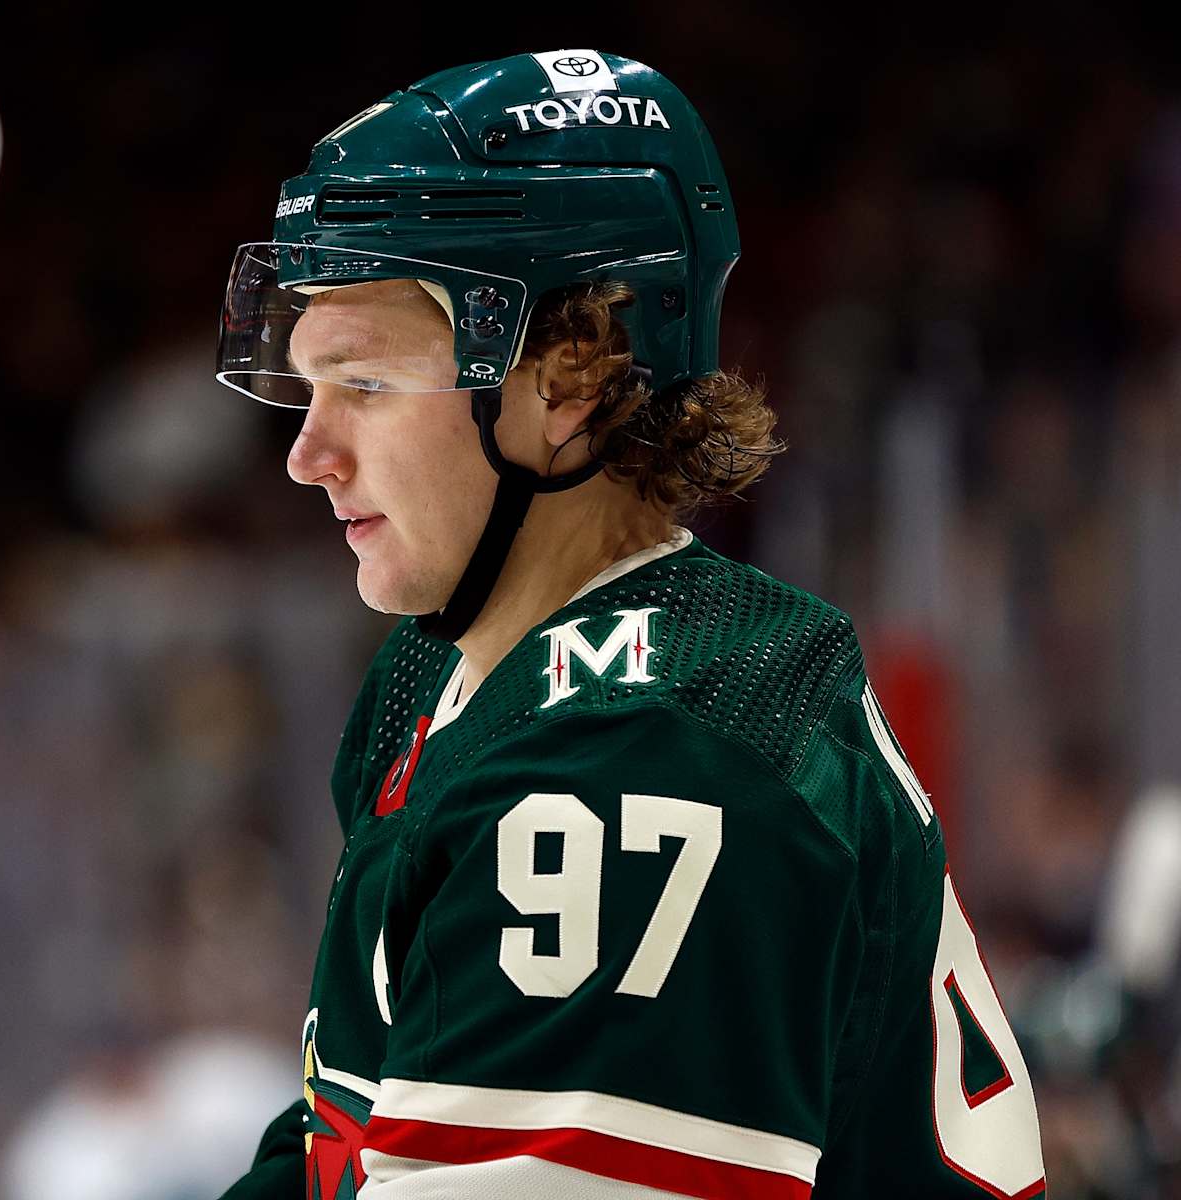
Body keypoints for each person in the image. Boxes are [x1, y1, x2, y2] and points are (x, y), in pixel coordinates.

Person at [211, 49, 1046, 1199]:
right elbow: (336, 1144)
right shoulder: (443, 680)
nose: (309, 455)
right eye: (307, 390)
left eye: (362, 382)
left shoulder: (642, 765)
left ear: (569, 374)